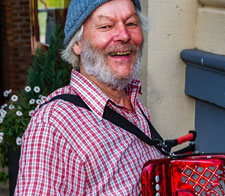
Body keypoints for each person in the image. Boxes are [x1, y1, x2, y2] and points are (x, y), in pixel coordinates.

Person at [15, 0, 163, 195]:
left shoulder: (131, 99)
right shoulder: (54, 126)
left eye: (131, 23)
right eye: (106, 26)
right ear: (77, 43)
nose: (124, 35)